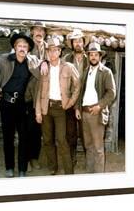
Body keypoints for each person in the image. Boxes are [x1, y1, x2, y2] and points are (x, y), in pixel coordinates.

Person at [0, 32, 41, 177]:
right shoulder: (3, 60)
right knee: (8, 137)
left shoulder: (32, 61)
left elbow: (43, 63)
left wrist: (45, 63)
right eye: (19, 46)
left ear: (28, 49)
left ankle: (22, 169)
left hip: (23, 105)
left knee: (24, 137)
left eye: (25, 46)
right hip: (7, 103)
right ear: (14, 47)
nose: (22, 48)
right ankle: (9, 167)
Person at [35, 37, 80, 175]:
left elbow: (78, 86)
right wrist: (38, 112)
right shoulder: (43, 67)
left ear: (60, 51)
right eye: (50, 50)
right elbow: (39, 91)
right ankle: (53, 167)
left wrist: (70, 103)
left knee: (62, 139)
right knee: (48, 140)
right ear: (47, 52)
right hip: (46, 108)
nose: (52, 53)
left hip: (61, 108)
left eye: (55, 50)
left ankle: (68, 171)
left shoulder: (69, 67)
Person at [75, 42, 116, 173]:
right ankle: (89, 172)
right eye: (91, 55)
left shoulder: (106, 72)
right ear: (88, 56)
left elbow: (111, 93)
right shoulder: (86, 71)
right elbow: (80, 92)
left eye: (95, 55)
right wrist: (77, 108)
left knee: (98, 148)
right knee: (88, 145)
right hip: (85, 112)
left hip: (96, 112)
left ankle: (98, 177)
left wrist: (100, 106)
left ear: (100, 56)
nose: (93, 57)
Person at [63, 29, 90, 165]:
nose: (78, 44)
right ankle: (72, 158)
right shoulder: (67, 59)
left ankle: (88, 159)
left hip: (86, 101)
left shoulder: (89, 58)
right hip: (70, 101)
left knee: (86, 134)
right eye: (75, 41)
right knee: (71, 133)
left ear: (83, 43)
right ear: (72, 44)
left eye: (80, 41)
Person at [25, 21, 47, 170]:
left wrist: (47, 61)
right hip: (27, 94)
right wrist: (43, 63)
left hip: (43, 95)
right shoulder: (26, 46)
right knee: (26, 128)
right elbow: (30, 65)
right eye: (36, 30)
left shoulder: (48, 47)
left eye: (41, 30)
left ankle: (34, 158)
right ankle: (25, 159)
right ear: (32, 32)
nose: (39, 32)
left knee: (38, 130)